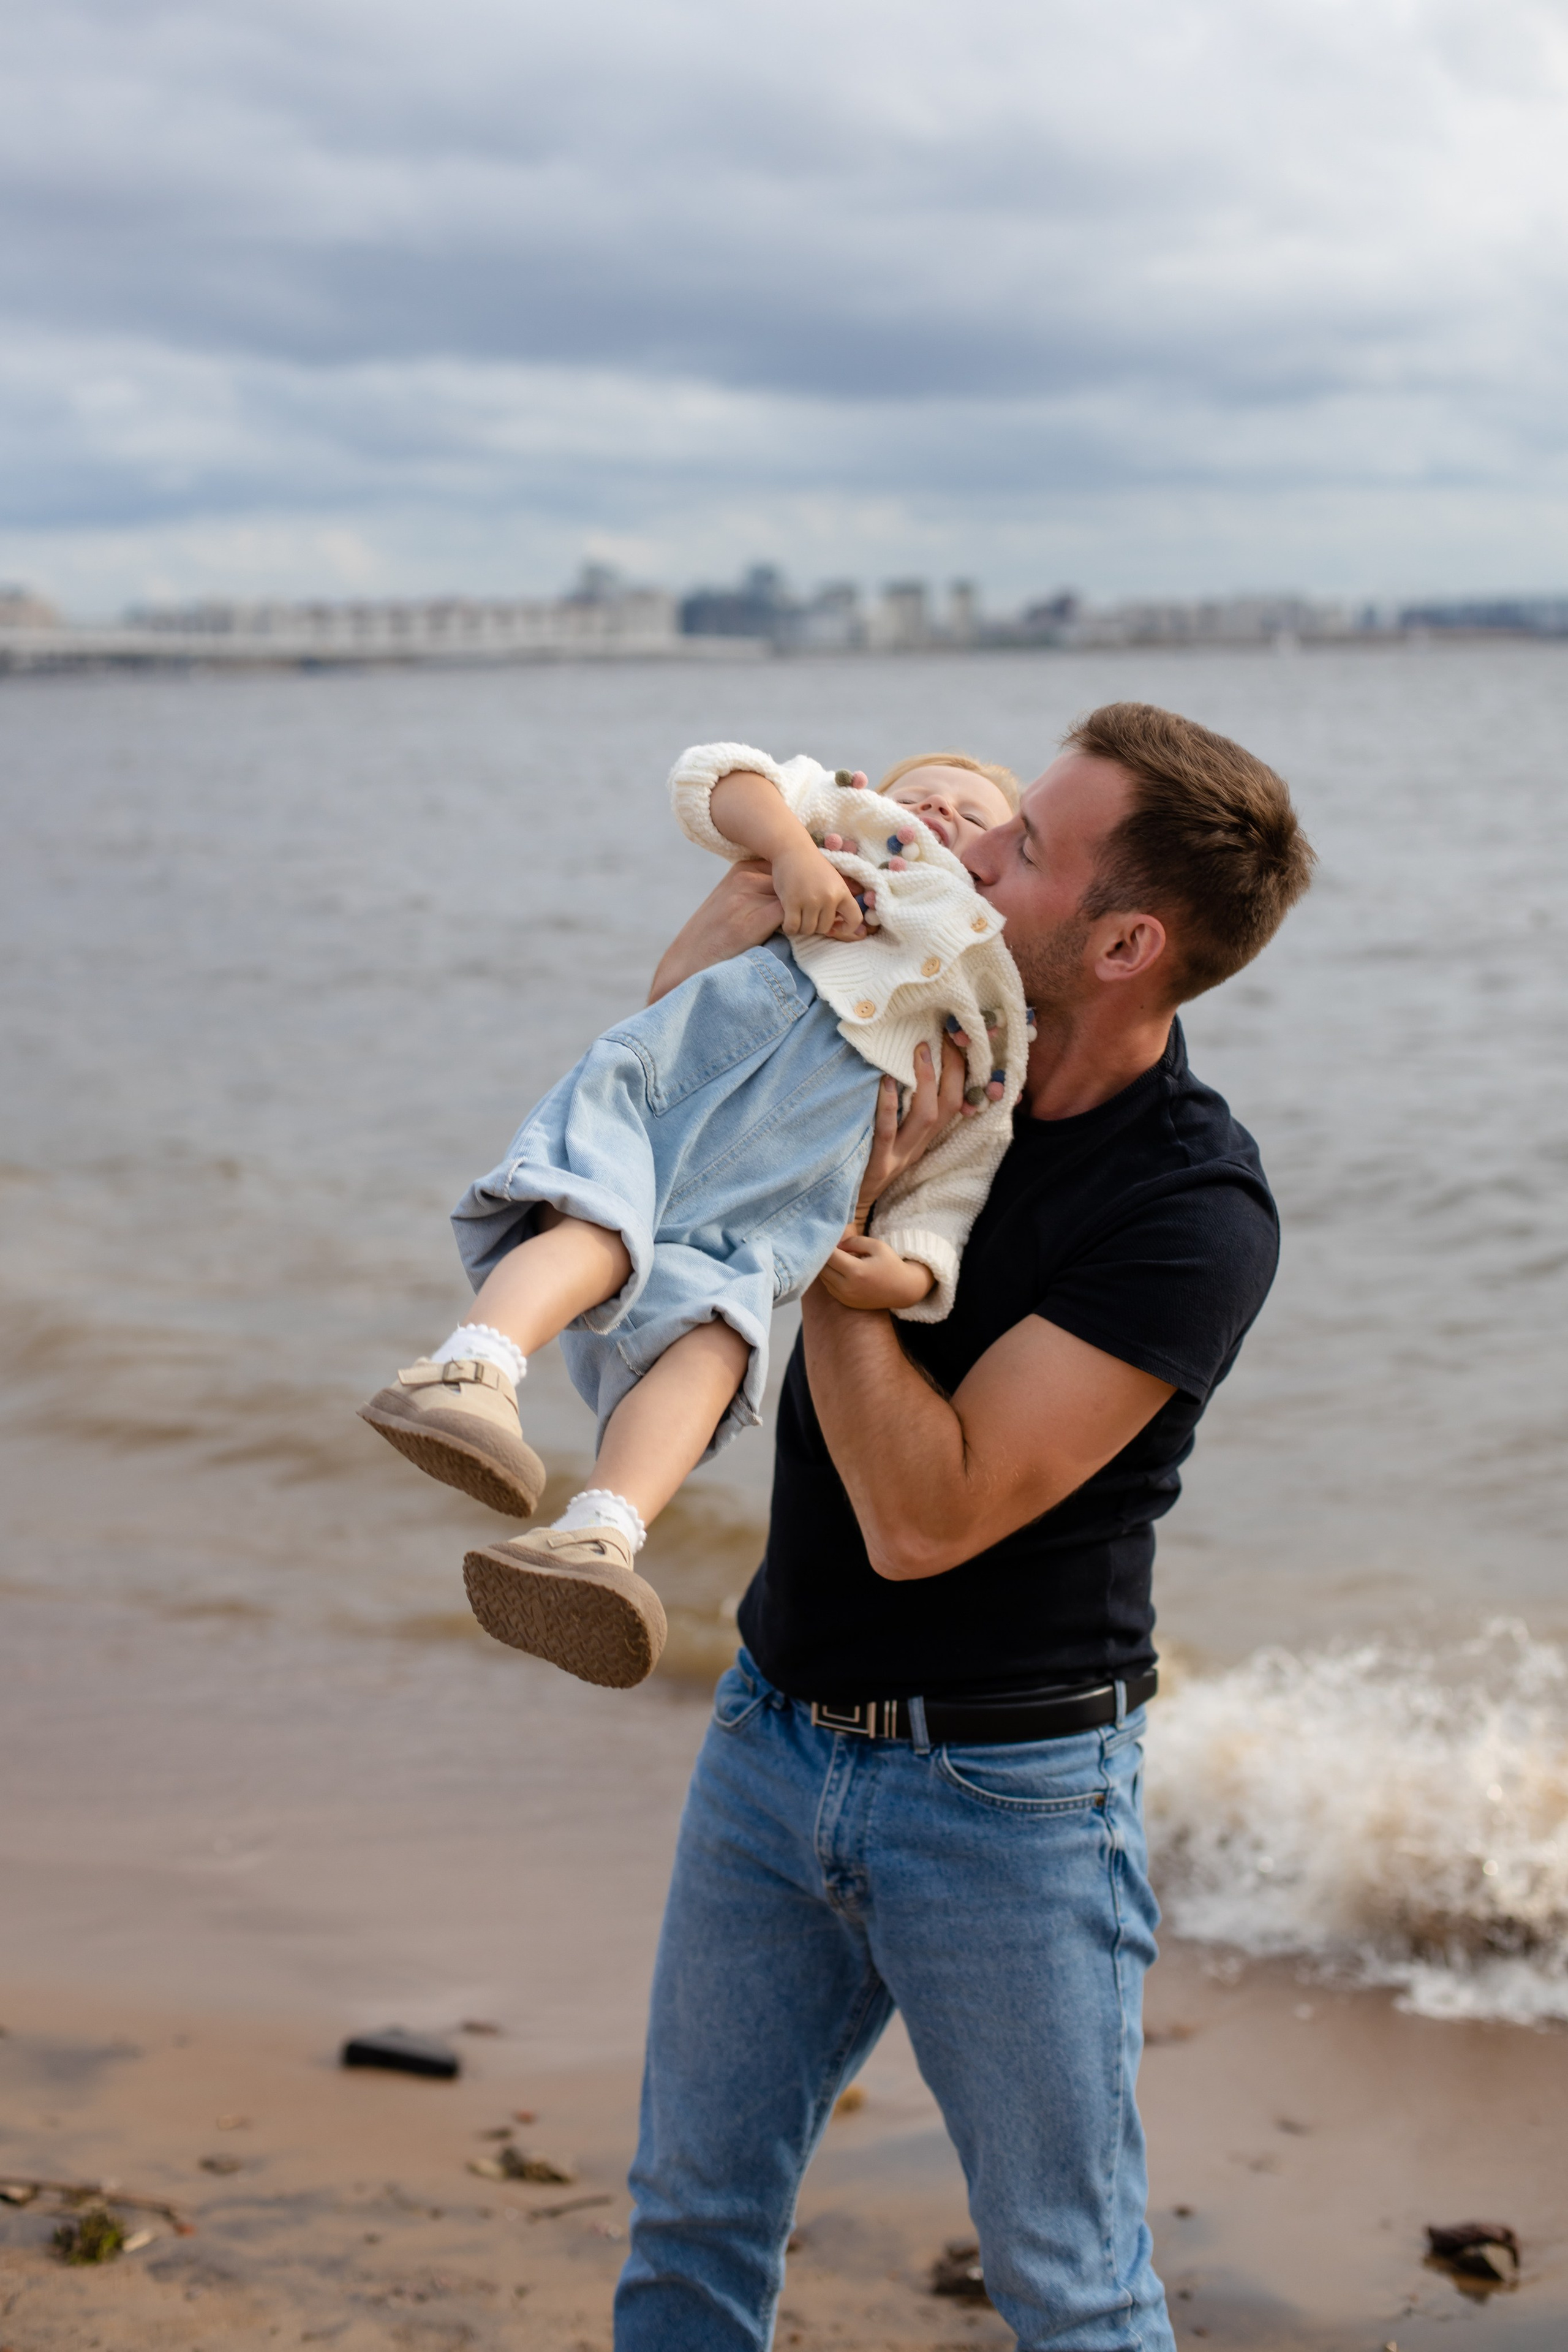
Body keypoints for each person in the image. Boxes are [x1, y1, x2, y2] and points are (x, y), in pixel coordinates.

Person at [611, 701, 1316, 2351]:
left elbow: (929, 1519)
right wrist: (756, 887)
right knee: (689, 2230)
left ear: (1129, 940)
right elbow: (651, 1116)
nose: (965, 857)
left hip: (1007, 1798)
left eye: (1023, 852)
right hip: (771, 1730)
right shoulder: (879, 1028)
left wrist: (847, 1229)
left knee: (1070, 2292)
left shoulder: (1189, 1212)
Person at [359, 747, 1027, 1689]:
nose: (945, 814)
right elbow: (720, 775)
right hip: (704, 1062)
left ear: (1008, 860)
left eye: (978, 814)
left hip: (794, 1190)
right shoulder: (851, 829)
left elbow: (968, 1154)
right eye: (927, 795)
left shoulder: (995, 984)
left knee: (725, 1335)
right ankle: (471, 1370)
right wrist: (793, 850)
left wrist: (914, 1267)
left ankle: (601, 1535)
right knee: (600, 1215)